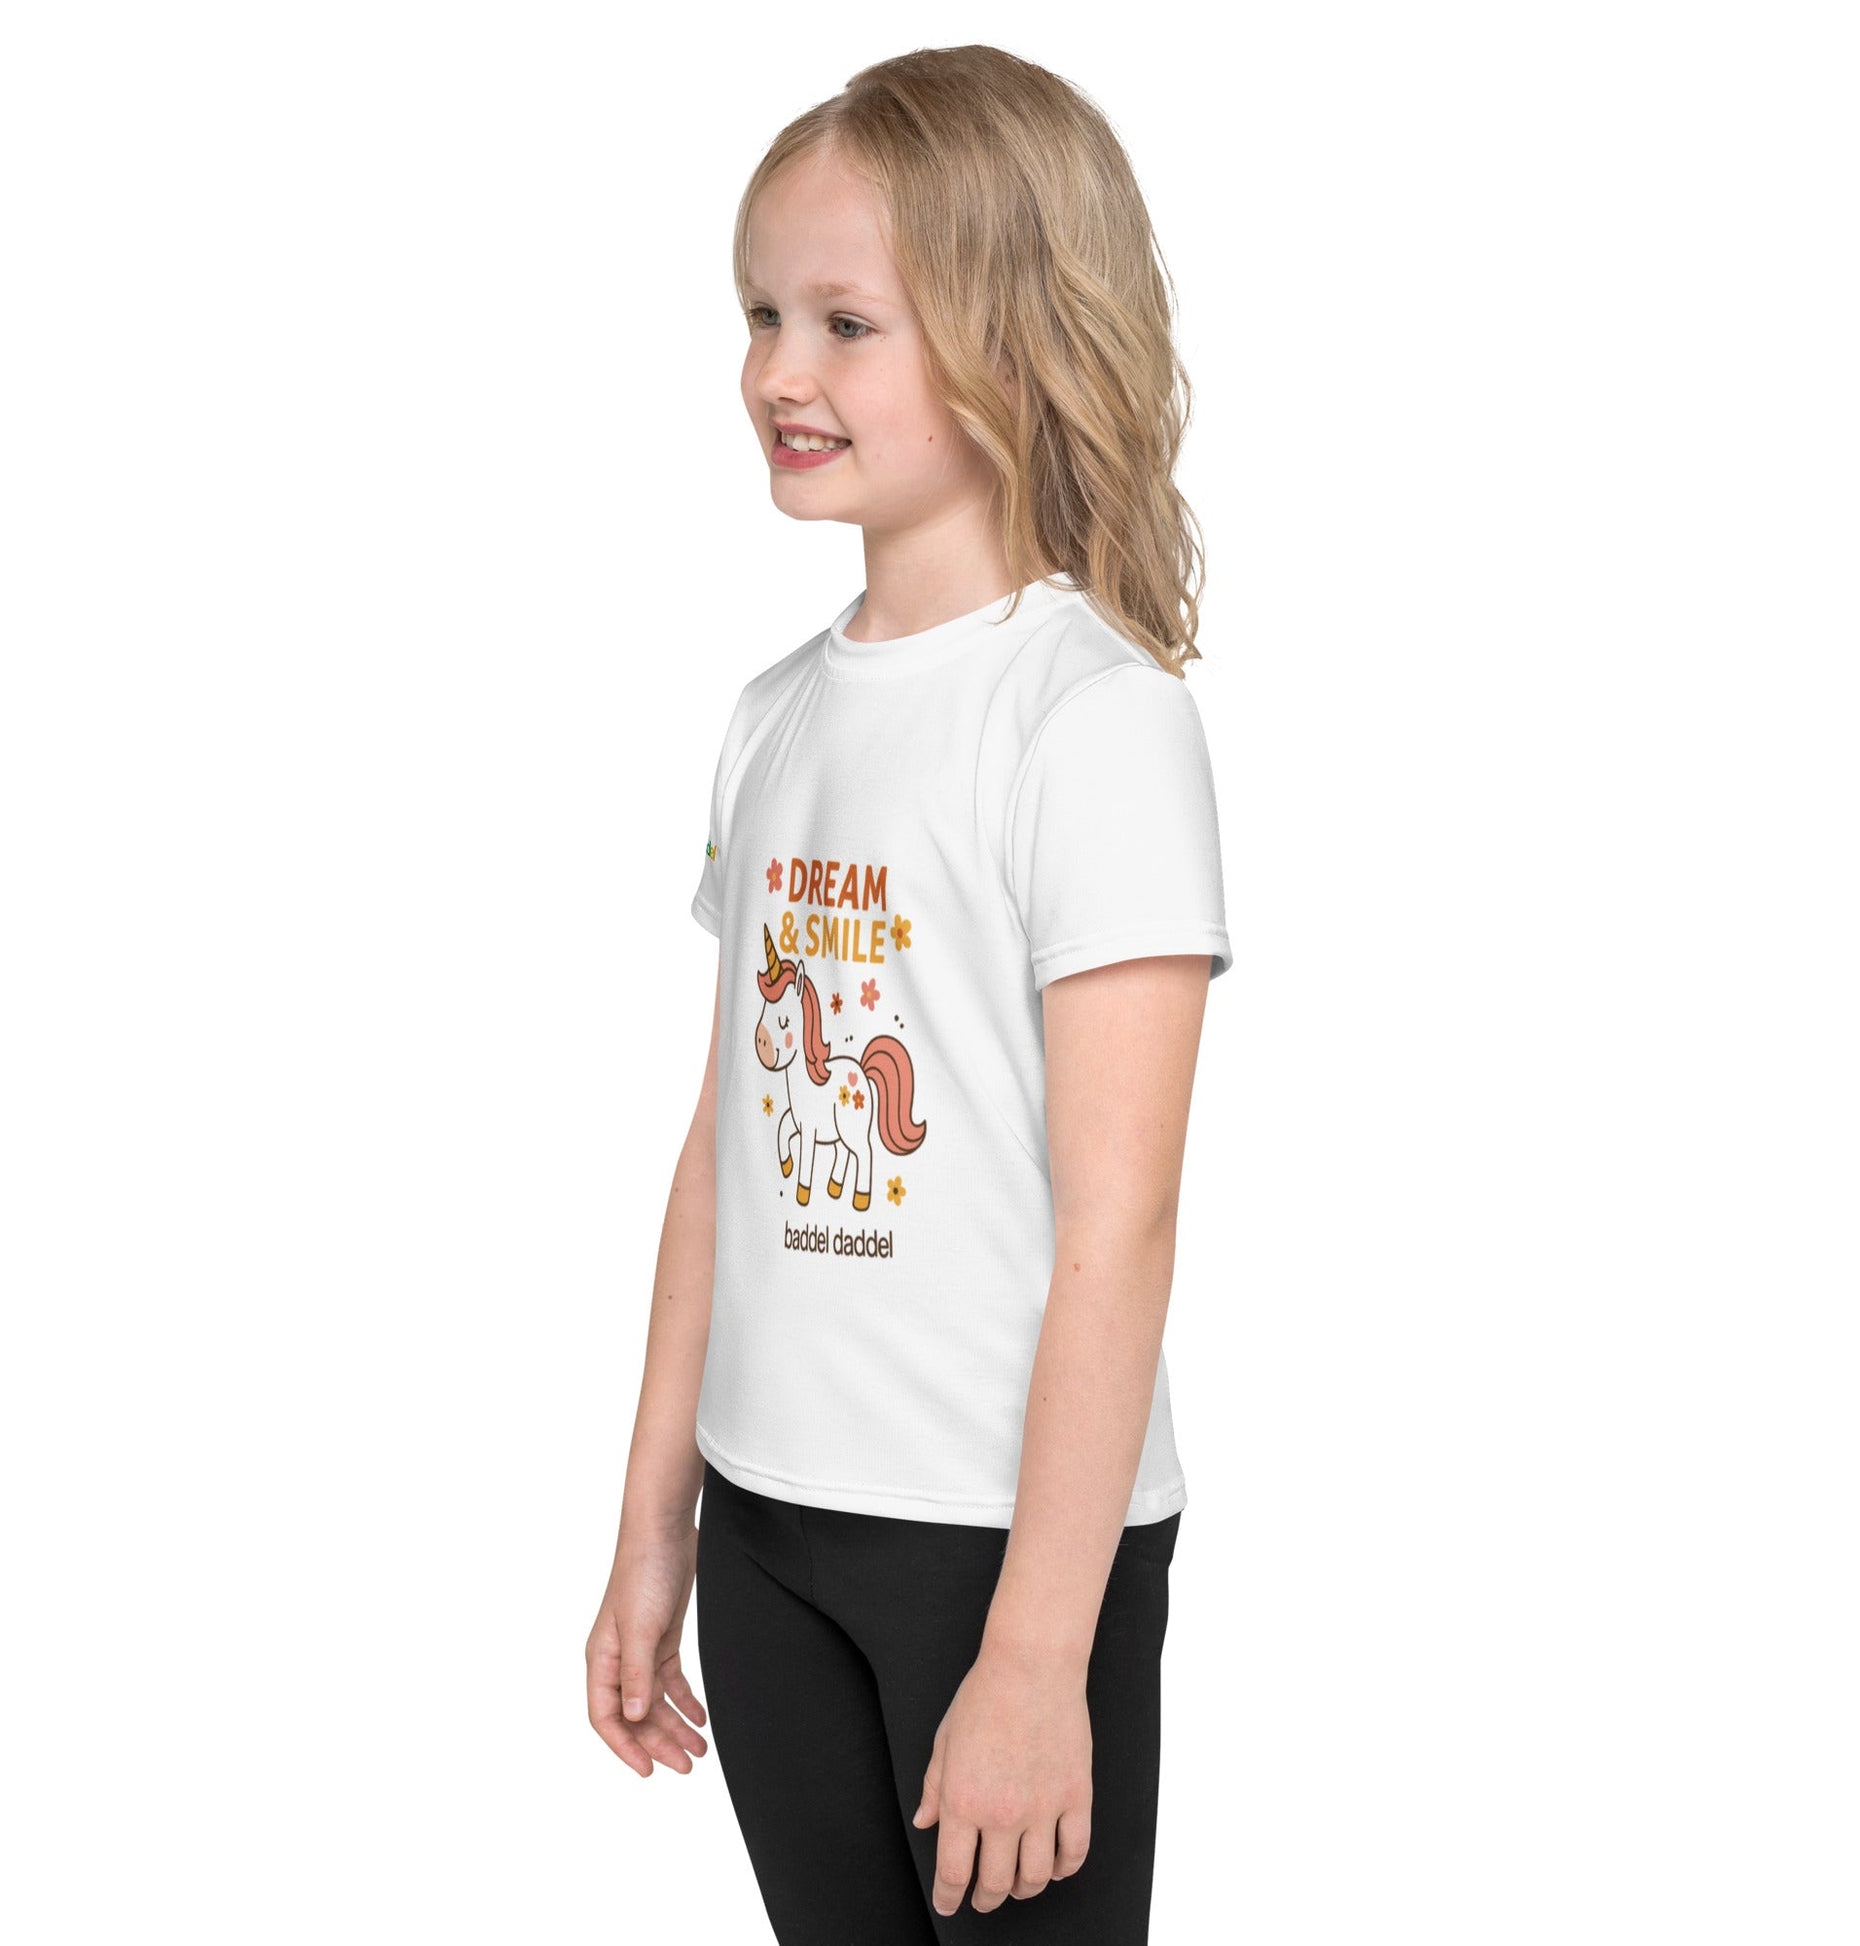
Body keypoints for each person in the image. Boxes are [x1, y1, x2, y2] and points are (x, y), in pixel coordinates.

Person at [586, 44, 1233, 1943]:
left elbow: (1120, 1221)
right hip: (768, 1531)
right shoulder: (774, 715)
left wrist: (1036, 1650)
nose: (776, 372)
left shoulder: (1091, 721)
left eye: (843, 324)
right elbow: (724, 1149)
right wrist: (654, 1524)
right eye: (760, 315)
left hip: (1000, 1548)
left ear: (1012, 339)